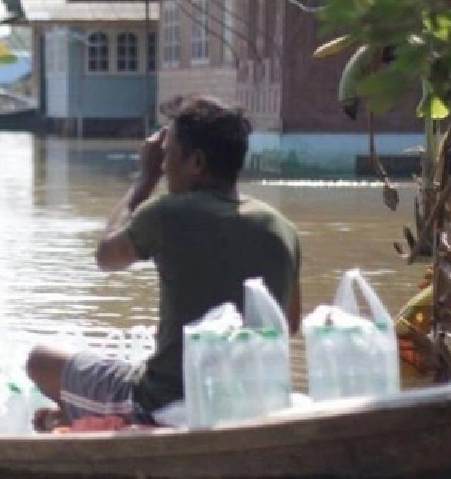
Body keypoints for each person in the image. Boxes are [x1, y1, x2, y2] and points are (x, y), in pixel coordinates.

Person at [24, 96, 302, 428]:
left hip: (162, 398)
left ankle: (88, 417)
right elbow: (289, 324)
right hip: (249, 395)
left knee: (40, 361)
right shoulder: (282, 228)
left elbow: (106, 257)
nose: (164, 167)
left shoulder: (166, 214)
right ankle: (75, 414)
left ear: (196, 162)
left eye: (168, 156)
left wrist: (144, 179)